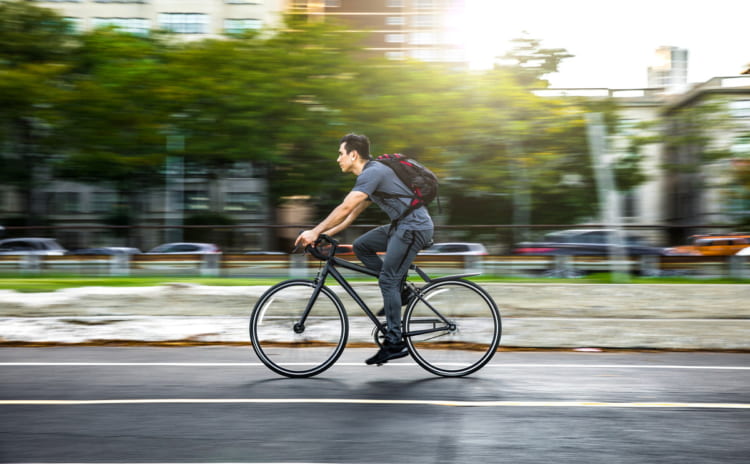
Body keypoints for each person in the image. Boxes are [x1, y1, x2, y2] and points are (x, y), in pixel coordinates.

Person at [295, 133, 434, 365]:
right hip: (403, 226)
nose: (338, 159)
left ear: (353, 154)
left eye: (340, 154)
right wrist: (327, 234)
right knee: (362, 246)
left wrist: (314, 231)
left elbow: (345, 205)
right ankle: (400, 292)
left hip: (414, 228)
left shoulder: (373, 172)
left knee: (388, 280)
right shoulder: (371, 175)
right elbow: (350, 214)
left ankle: (394, 341)